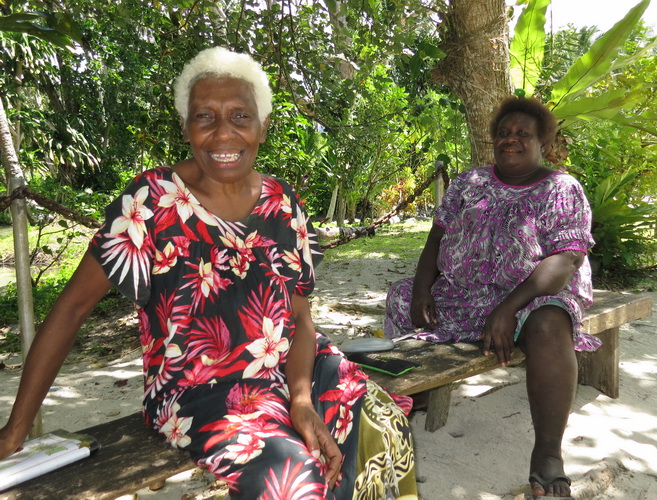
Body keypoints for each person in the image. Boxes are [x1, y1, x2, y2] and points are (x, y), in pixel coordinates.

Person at [0, 46, 417, 499]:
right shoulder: (151, 203)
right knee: (291, 480)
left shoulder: (283, 202)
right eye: (205, 117)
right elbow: (73, 307)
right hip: (201, 392)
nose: (223, 133)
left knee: (382, 423)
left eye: (240, 116)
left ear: (263, 126)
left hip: (294, 369)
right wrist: (14, 430)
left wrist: (300, 401)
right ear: (185, 127)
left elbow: (300, 317)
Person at [384, 96, 598, 498]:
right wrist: (420, 288)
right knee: (399, 298)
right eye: (504, 132)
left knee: (549, 324)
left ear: (542, 143)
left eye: (523, 134)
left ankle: (548, 454)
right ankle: (418, 399)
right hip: (465, 294)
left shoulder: (561, 187)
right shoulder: (469, 182)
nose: (511, 140)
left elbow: (566, 258)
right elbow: (437, 236)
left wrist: (507, 308)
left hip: (533, 294)